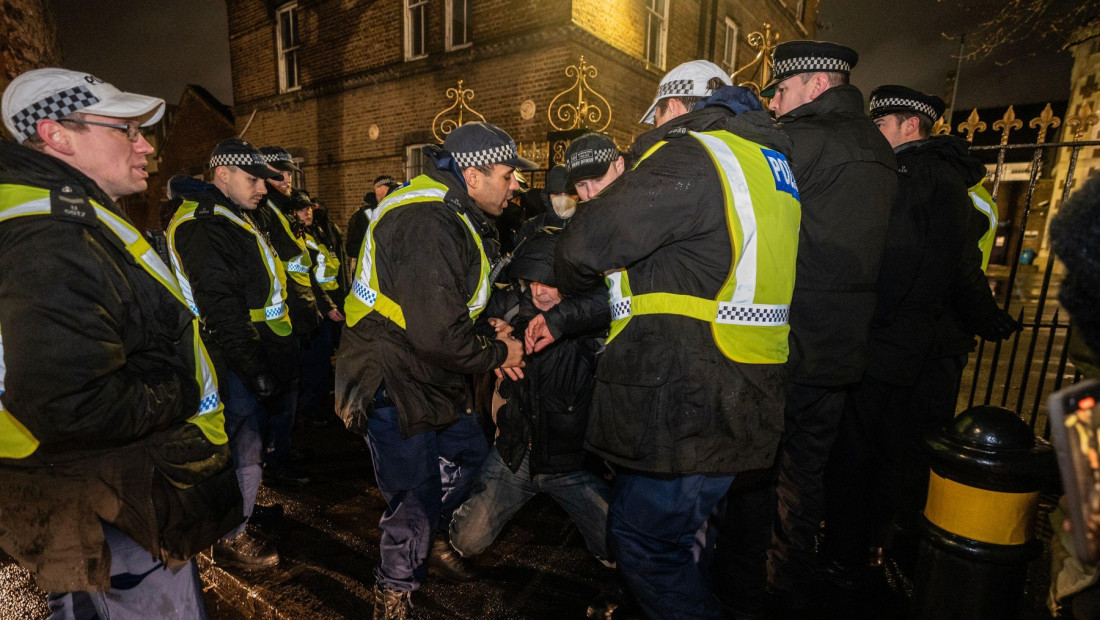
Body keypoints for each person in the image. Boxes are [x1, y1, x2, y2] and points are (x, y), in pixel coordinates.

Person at [555, 59, 801, 620]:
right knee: (690, 540)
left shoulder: (695, 154)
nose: (658, 122)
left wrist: (570, 287)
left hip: (692, 394)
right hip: (746, 387)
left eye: (660, 109)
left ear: (676, 105)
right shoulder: (770, 162)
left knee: (643, 542)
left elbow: (583, 244)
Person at [0, 68, 242, 618]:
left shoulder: (72, 217)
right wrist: (181, 389)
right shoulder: (51, 235)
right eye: (124, 130)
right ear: (57, 134)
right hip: (111, 509)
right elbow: (70, 404)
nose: (146, 145)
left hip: (95, 498)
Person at [335, 121, 530, 619]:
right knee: (414, 493)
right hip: (390, 377)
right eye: (508, 176)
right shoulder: (429, 220)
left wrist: (484, 326)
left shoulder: (451, 209)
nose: (515, 187)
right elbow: (438, 334)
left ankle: (427, 543)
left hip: (426, 369)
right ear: (472, 174)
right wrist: (498, 353)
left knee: (467, 453)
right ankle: (394, 588)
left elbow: (441, 308)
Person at [818, 86, 995, 594]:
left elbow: (897, 261)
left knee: (857, 454)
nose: (874, 132)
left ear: (910, 126)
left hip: (886, 342)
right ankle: (883, 546)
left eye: (881, 123)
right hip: (920, 342)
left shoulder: (911, 177)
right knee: (899, 453)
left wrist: (870, 321)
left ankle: (843, 557)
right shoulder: (952, 179)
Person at [745, 41, 898, 613]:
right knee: (806, 473)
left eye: (780, 91)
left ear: (813, 84)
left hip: (784, 338)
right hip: (841, 347)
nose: (776, 104)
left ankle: (748, 581)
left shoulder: (797, 143)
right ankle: (787, 581)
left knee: (756, 471)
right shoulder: (879, 150)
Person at [166, 138, 298, 570]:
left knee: (249, 443)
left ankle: (239, 512)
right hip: (228, 359)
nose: (263, 187)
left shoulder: (231, 214)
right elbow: (222, 307)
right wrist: (256, 368)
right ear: (222, 173)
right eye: (253, 178)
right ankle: (229, 537)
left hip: (245, 355)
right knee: (234, 446)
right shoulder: (204, 224)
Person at [449, 229, 612, 565]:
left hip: (571, 462)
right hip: (514, 454)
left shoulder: (588, 318)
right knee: (466, 540)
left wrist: (562, 320)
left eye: (549, 282)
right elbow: (460, 318)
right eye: (531, 282)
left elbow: (612, 301)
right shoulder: (511, 307)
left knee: (618, 548)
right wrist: (490, 335)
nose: (538, 292)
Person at [253, 145, 317, 486]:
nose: (287, 178)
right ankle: (275, 459)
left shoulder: (280, 209)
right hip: (277, 322)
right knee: (280, 396)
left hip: (293, 315)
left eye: (290, 172)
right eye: (280, 173)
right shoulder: (265, 209)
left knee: (289, 394)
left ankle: (282, 450)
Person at [291, 192, 347, 425]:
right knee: (315, 363)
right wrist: (324, 305)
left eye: (309, 208)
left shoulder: (316, 232)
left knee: (323, 362)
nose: (308, 212)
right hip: (315, 309)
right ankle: (309, 408)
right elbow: (305, 277)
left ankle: (318, 405)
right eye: (302, 209)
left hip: (328, 306)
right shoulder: (297, 237)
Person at [346, 175, 400, 273]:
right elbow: (351, 248)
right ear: (377, 190)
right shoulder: (361, 215)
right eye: (390, 190)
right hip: (370, 272)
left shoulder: (397, 211)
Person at [512, 164, 575, 249]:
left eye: (569, 193)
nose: (564, 199)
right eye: (557, 194)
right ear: (548, 196)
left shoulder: (588, 224)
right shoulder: (532, 227)